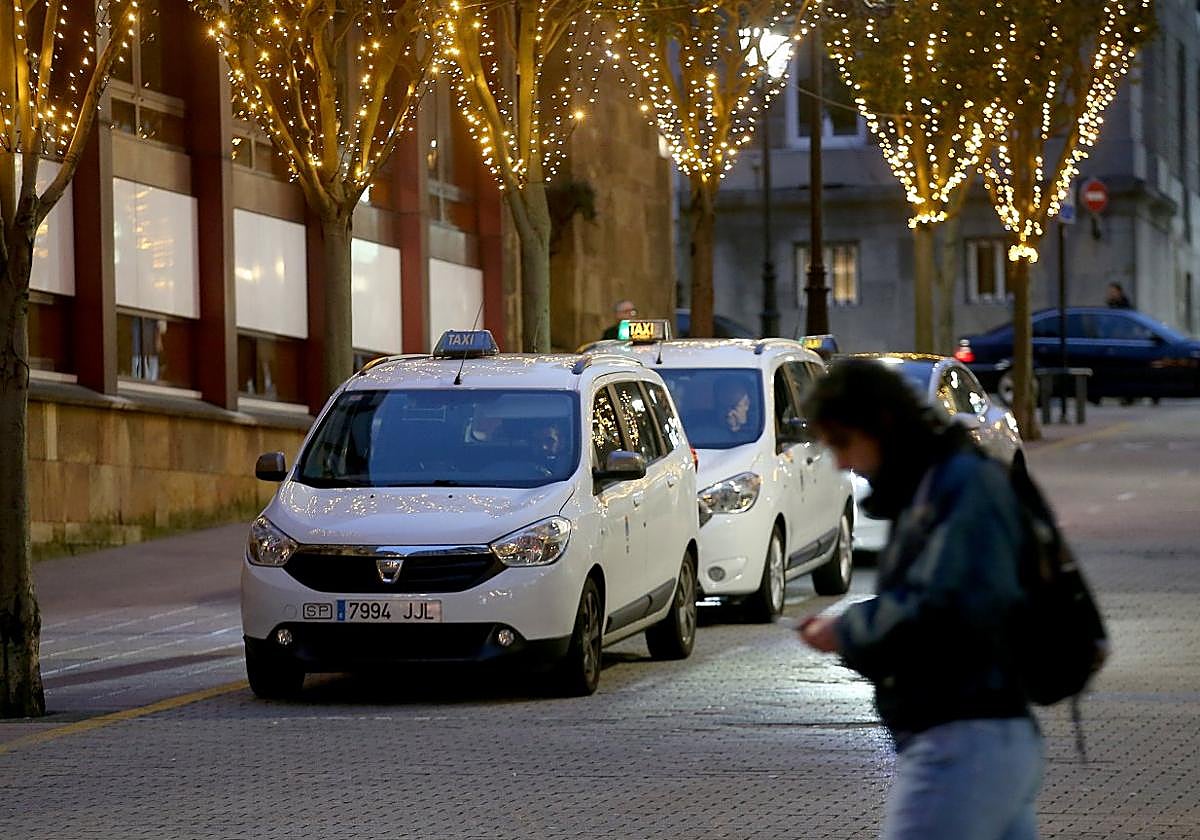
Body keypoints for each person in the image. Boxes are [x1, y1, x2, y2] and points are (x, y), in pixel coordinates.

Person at [796, 359, 1043, 840]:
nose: (841, 462)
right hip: (986, 735)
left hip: (962, 740)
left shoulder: (957, 484)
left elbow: (943, 606)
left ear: (882, 424)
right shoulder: (936, 485)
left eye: (843, 443)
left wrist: (847, 631)